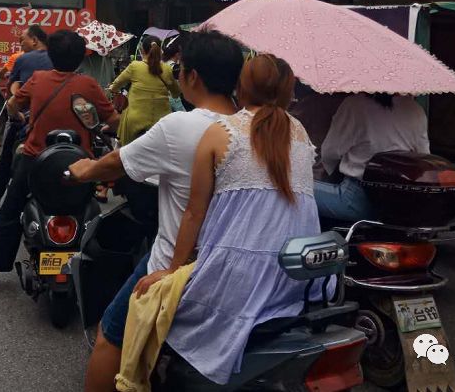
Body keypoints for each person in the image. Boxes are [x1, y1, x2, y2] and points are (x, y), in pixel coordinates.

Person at [68, 30, 245, 392]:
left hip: (176, 263)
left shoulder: (182, 125)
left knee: (111, 334)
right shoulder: (255, 125)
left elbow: (117, 161)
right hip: (232, 262)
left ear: (193, 76)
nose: (177, 74)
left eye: (180, 68)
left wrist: (83, 170)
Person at [131, 54, 323, 385]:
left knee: (146, 310)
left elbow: (194, 212)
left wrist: (172, 271)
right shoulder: (301, 134)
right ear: (289, 91)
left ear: (240, 87)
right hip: (295, 283)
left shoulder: (220, 133)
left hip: (231, 281)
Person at [0, 29, 120, 293]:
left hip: (36, 161)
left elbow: (13, 105)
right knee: (91, 212)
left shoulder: (38, 79)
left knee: (8, 212)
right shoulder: (89, 85)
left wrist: (24, 118)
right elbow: (114, 120)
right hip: (79, 166)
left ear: (49, 54)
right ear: (80, 57)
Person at [314, 93, 430, 222]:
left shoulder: (355, 105)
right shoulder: (415, 109)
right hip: (399, 203)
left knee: (296, 190)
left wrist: (330, 173)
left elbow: (331, 152)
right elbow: (424, 157)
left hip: (356, 199)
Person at [0, 26, 52, 217]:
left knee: (5, 163)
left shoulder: (23, 59)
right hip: (52, 123)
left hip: (24, 120)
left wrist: (16, 105)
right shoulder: (57, 58)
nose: (20, 44)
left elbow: (12, 87)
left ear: (35, 40)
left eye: (22, 40)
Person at [110, 36, 180, 146]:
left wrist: (113, 90)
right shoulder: (167, 69)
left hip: (135, 123)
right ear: (160, 50)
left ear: (142, 50)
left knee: (123, 151)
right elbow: (176, 94)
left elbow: (115, 86)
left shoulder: (135, 66)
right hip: (161, 124)